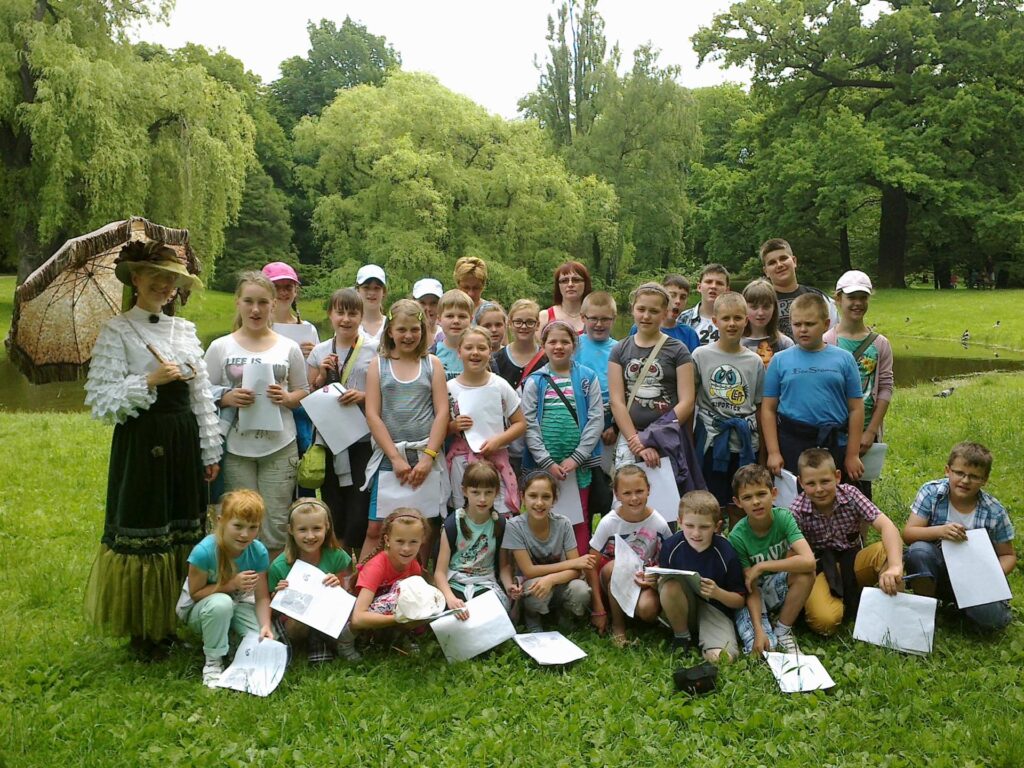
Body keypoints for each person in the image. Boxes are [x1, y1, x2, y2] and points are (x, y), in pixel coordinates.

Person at [84, 240, 221, 659]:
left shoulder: (185, 331)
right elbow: (102, 402)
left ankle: (173, 621)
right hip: (143, 441)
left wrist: (209, 449)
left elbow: (201, 395)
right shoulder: (117, 331)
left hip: (183, 438)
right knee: (147, 524)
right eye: (157, 277)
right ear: (136, 278)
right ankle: (144, 630)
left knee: (182, 526)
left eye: (172, 280)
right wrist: (149, 380)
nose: (165, 286)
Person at [205, 272, 309, 558]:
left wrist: (288, 399)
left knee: (275, 524)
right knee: (240, 522)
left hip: (280, 446)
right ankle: (239, 580)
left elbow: (303, 390)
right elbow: (201, 391)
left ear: (273, 305)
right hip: (236, 448)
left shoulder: (288, 347)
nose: (255, 309)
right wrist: (226, 396)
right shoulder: (220, 347)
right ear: (237, 303)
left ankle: (271, 582)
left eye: (263, 302)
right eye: (249, 301)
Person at [362, 299, 449, 561]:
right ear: (390, 331)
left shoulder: (432, 364)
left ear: (423, 330)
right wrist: (395, 458)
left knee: (421, 528)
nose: (408, 336)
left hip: (424, 456)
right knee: (377, 527)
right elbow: (373, 414)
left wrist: (428, 457)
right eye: (401, 329)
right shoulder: (379, 364)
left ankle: (416, 579)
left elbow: (442, 412)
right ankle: (363, 579)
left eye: (414, 329)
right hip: (390, 457)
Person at [902, 442, 1016, 632]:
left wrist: (990, 576)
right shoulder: (932, 493)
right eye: (959, 473)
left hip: (975, 578)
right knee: (918, 551)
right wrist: (939, 531)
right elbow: (909, 534)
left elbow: (1008, 555)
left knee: (992, 621)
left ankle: (966, 607)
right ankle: (926, 608)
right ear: (947, 471)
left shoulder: (994, 511)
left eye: (974, 476)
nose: (965, 480)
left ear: (985, 480)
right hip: (937, 569)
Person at [790, 448, 903, 636]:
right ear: (801, 483)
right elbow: (790, 555)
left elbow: (887, 526)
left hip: (852, 559)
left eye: (825, 481)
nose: (819, 489)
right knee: (825, 622)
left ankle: (893, 614)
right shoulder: (796, 510)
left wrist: (895, 566)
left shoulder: (850, 494)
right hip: (819, 568)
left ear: (837, 477)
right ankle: (839, 600)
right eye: (811, 483)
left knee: (887, 551)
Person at [761, 292, 865, 482]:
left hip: (833, 442)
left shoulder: (844, 359)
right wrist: (774, 452)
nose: (803, 330)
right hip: (792, 442)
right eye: (797, 324)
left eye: (810, 324)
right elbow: (768, 409)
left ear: (826, 324)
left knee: (831, 493)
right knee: (796, 496)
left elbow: (856, 408)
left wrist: (852, 454)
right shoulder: (779, 361)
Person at [521, 321, 604, 556]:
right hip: (543, 466)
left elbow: (596, 419)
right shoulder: (535, 381)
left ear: (574, 345)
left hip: (577, 467)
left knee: (579, 517)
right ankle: (544, 564)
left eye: (565, 342)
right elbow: (528, 423)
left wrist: (577, 458)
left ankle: (578, 565)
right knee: (541, 515)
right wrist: (546, 461)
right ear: (543, 345)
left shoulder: (587, 378)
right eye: (553, 342)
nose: (559, 346)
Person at [306, 288, 377, 551]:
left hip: (363, 438)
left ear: (361, 316)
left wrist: (363, 396)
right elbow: (310, 394)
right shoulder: (319, 351)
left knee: (360, 504)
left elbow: (384, 390)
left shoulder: (375, 349)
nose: (346, 319)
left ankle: (358, 558)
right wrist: (322, 376)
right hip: (331, 438)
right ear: (330, 314)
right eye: (340, 313)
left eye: (352, 313)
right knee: (333, 503)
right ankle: (339, 559)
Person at [179, 490, 273, 688]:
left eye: (253, 527)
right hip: (201, 609)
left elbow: (262, 597)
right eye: (238, 526)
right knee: (221, 604)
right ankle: (213, 661)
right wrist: (231, 584)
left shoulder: (258, 551)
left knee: (263, 641)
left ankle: (231, 640)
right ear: (221, 521)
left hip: (239, 603)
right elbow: (196, 594)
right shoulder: (204, 552)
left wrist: (265, 625)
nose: (245, 534)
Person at [692, 292, 765, 527]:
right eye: (725, 318)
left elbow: (759, 406)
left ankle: (737, 545)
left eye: (737, 318)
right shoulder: (701, 355)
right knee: (711, 504)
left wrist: (764, 450)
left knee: (740, 504)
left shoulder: (754, 361)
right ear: (715, 321)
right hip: (712, 441)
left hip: (744, 443)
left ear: (746, 320)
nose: (731, 324)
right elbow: (690, 399)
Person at [728, 464, 815, 654]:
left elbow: (809, 561)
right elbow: (749, 587)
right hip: (752, 597)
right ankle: (764, 624)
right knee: (766, 649)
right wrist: (759, 629)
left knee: (806, 574)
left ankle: (783, 629)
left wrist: (761, 566)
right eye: (747, 497)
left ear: (773, 493)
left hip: (775, 585)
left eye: (761, 494)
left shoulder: (784, 518)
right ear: (738, 502)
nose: (756, 502)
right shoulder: (737, 537)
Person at [823, 270, 894, 499]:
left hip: (865, 431)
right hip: (832, 431)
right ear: (838, 299)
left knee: (861, 493)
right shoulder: (826, 341)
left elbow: (885, 387)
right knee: (828, 488)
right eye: (851, 297)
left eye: (863, 298)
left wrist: (871, 431)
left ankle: (860, 526)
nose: (857, 303)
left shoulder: (880, 344)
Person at [608, 282, 695, 469]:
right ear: (632, 310)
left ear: (665, 313)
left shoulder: (678, 350)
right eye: (641, 309)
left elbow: (687, 402)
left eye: (654, 311)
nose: (646, 316)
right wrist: (636, 441)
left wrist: (651, 436)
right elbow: (616, 401)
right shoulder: (619, 350)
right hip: (631, 438)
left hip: (667, 436)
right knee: (629, 487)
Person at [588, 465, 672, 646]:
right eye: (627, 493)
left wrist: (653, 577)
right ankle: (618, 627)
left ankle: (632, 614)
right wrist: (598, 608)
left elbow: (669, 561)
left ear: (648, 490)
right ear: (617, 495)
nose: (634, 498)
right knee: (617, 568)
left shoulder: (659, 523)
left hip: (644, 580)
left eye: (639, 491)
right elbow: (591, 565)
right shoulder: (609, 523)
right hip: (611, 577)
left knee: (648, 610)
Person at [447, 327, 526, 516]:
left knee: (498, 512)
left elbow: (520, 423)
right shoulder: (449, 388)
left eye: (481, 348)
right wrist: (453, 426)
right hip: (462, 460)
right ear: (459, 352)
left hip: (495, 459)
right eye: (469, 348)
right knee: (465, 512)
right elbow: (439, 428)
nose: (475, 352)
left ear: (490, 352)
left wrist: (499, 440)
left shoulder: (499, 385)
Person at [502, 472, 596, 632]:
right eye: (533, 496)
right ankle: (532, 616)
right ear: (522, 497)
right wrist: (572, 563)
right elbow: (529, 571)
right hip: (530, 584)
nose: (539, 503)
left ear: (554, 500)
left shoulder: (563, 523)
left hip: (558, 583)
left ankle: (564, 614)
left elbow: (576, 571)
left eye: (546, 497)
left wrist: (551, 579)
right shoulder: (514, 526)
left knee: (580, 589)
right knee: (536, 588)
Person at [658, 491, 745, 661]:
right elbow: (663, 583)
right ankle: (682, 637)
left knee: (722, 658)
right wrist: (651, 579)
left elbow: (740, 600)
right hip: (683, 605)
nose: (696, 533)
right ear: (679, 522)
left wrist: (717, 593)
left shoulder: (726, 553)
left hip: (714, 609)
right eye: (689, 526)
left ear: (717, 526)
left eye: (704, 527)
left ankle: (710, 643)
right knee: (669, 585)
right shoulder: (671, 547)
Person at [268, 498, 359, 663]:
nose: (310, 536)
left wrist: (339, 583)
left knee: (357, 609)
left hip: (328, 613)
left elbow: (348, 591)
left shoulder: (337, 555)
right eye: (302, 529)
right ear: (290, 530)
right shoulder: (279, 566)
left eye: (317, 528)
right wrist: (277, 596)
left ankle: (336, 642)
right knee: (297, 622)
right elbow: (271, 610)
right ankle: (312, 643)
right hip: (296, 621)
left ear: (327, 526)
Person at [263, 262, 320, 497]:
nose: (283, 292)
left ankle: (303, 513)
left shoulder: (308, 329)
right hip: (268, 406)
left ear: (296, 291)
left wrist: (314, 354)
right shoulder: (257, 326)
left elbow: (315, 380)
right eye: (277, 287)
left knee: (303, 470)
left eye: (289, 287)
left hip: (301, 410)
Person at [434, 461, 514, 616]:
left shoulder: (500, 524)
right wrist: (450, 598)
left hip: (485, 582)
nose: (482, 499)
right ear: (465, 491)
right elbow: (439, 573)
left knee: (486, 613)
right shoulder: (452, 524)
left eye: (488, 492)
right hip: (455, 581)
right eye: (476, 492)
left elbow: (504, 566)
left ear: (496, 492)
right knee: (454, 614)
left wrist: (509, 586)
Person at [350, 509, 430, 646]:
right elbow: (357, 618)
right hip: (364, 621)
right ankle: (349, 641)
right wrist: (400, 618)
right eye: (400, 541)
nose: (406, 548)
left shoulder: (414, 565)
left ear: (422, 541)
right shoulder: (376, 567)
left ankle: (401, 637)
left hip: (390, 615)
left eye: (413, 542)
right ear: (387, 540)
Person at [574, 291, 619, 522]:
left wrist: (614, 425)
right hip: (579, 422)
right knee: (582, 482)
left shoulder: (619, 349)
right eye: (593, 318)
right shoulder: (574, 346)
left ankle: (608, 530)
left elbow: (625, 392)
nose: (599, 324)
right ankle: (581, 530)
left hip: (609, 424)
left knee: (606, 481)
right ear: (583, 317)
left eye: (605, 319)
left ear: (614, 319)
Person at [758, 238, 838, 338]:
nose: (779, 265)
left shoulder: (818, 297)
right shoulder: (759, 303)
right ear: (766, 271)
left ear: (794, 261)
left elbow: (834, 333)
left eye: (783, 258)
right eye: (772, 263)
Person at [628, 275, 700, 352]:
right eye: (672, 295)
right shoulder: (640, 327)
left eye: (683, 297)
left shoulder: (689, 334)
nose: (678, 301)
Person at [741, 278, 794, 367]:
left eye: (766, 307)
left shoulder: (784, 344)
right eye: (754, 307)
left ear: (774, 308)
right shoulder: (735, 342)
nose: (760, 313)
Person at [677, 264, 730, 347]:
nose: (713, 286)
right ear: (699, 287)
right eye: (708, 282)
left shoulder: (734, 320)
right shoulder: (683, 318)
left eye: (719, 283)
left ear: (727, 290)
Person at [538, 261, 592, 337]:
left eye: (576, 280)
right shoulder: (544, 317)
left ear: (585, 284)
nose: (570, 284)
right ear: (558, 286)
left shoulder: (595, 316)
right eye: (564, 281)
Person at [433, 288, 474, 379]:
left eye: (462, 316)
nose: (456, 321)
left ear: (471, 320)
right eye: (450, 316)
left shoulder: (480, 352)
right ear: (439, 320)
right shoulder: (432, 353)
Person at [356, 264, 388, 343]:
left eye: (376, 288)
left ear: (383, 292)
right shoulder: (349, 325)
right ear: (357, 290)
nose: (372, 293)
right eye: (366, 287)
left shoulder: (391, 326)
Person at [413, 277, 445, 346]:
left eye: (433, 303)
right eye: (422, 303)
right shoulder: (405, 335)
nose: (428, 308)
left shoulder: (447, 336)